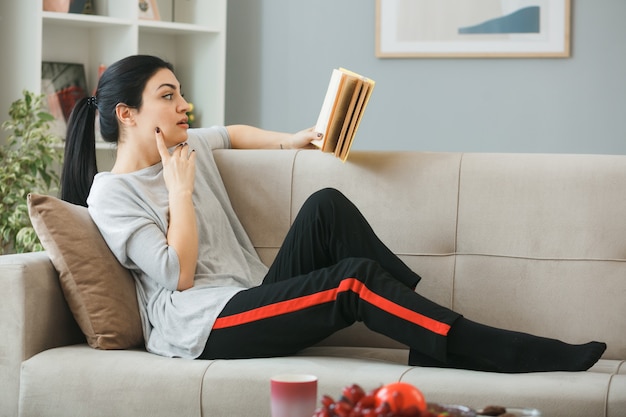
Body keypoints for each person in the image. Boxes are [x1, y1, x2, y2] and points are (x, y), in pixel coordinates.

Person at [61, 55, 606, 373]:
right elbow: (176, 277)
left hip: (249, 292)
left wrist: (293, 140)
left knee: (326, 206)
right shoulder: (110, 195)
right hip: (202, 329)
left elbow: (233, 133)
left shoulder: (184, 146)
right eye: (169, 96)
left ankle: (423, 330)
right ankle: (497, 348)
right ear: (127, 115)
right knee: (352, 284)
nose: (185, 106)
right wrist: (179, 194)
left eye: (181, 94)